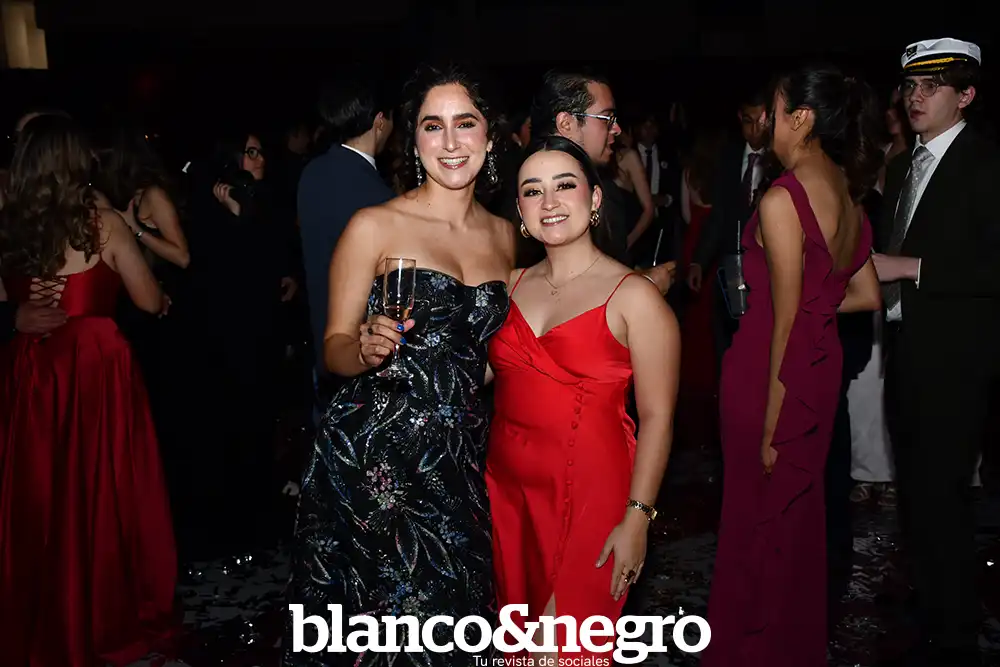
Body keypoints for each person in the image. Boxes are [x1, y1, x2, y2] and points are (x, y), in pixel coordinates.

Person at [284, 63, 514, 667]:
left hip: (459, 458)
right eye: (432, 126)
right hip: (374, 459)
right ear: (412, 140)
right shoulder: (375, 225)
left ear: (490, 136)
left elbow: (493, 357)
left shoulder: (507, 236)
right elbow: (333, 346)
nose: (450, 141)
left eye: (466, 123)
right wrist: (361, 347)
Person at [702, 65, 883, 667]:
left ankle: (750, 651)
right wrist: (813, 303)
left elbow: (783, 321)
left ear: (801, 118)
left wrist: (774, 425)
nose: (767, 121)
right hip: (820, 368)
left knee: (753, 522)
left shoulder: (785, 196)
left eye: (775, 110)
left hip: (771, 376)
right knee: (793, 525)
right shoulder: (845, 190)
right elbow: (866, 295)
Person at [486, 136, 680, 662]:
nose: (549, 201)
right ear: (520, 210)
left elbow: (659, 418)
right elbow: (466, 377)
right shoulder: (507, 287)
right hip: (510, 499)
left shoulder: (635, 297)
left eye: (564, 185)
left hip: (591, 496)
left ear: (594, 199)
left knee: (563, 652)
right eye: (533, 191)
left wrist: (637, 519)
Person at [0, 115, 177, 666]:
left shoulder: (10, 222)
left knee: (39, 493)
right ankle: (95, 612)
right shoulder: (103, 224)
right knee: (97, 490)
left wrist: (16, 314)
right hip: (93, 370)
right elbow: (148, 300)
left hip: (32, 370)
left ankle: (39, 610)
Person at [874, 38, 1000, 667]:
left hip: (959, 357)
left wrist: (911, 267)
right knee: (915, 489)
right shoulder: (903, 165)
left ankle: (956, 628)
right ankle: (929, 602)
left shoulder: (985, 163)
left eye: (932, 86)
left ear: (966, 95)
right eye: (909, 86)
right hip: (904, 346)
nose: (915, 97)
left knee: (946, 493)